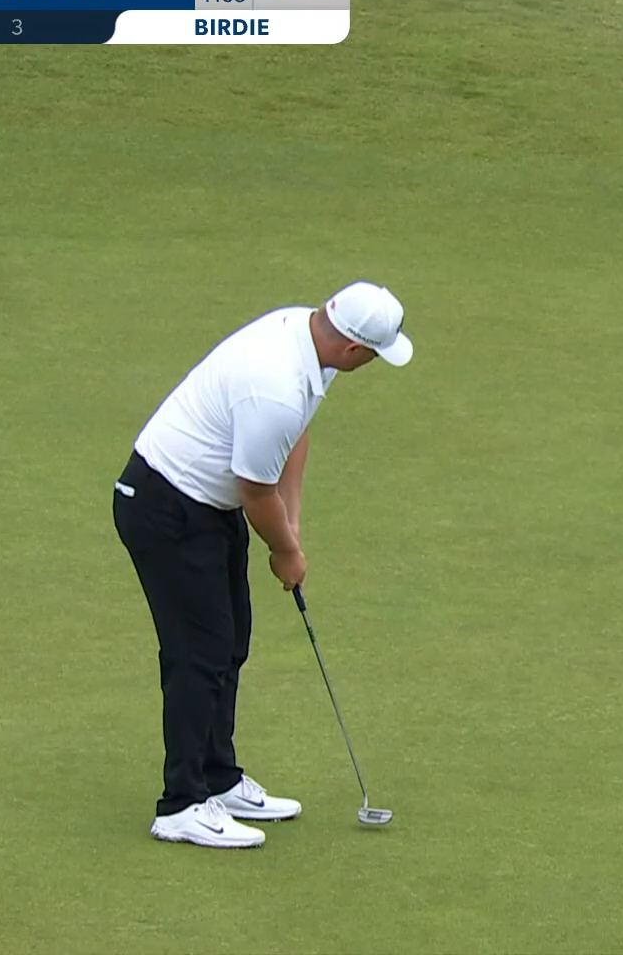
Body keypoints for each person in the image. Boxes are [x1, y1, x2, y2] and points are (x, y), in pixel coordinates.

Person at [112, 281, 412, 848]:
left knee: (230, 641)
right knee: (198, 654)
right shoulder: (275, 384)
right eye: (374, 355)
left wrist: (291, 527)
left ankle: (218, 778)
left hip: (208, 505)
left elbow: (293, 438)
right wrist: (284, 551)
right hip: (165, 506)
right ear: (353, 348)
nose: (372, 363)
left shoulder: (309, 337)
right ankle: (181, 804)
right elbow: (254, 490)